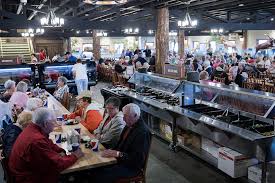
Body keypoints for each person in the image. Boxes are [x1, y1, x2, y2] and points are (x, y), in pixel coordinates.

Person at [9, 108, 84, 183]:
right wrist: (75, 156)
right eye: (53, 122)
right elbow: (57, 165)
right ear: (45, 123)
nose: (55, 125)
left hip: (28, 170)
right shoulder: (36, 141)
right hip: (30, 178)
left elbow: (48, 143)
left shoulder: (32, 128)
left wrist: (61, 151)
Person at [91, 103, 151, 183]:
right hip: (121, 161)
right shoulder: (129, 124)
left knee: (99, 175)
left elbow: (137, 160)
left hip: (131, 167)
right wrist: (110, 151)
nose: (123, 119)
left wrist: (117, 154)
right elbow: (120, 144)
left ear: (135, 115)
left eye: (126, 116)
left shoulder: (142, 132)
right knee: (94, 168)